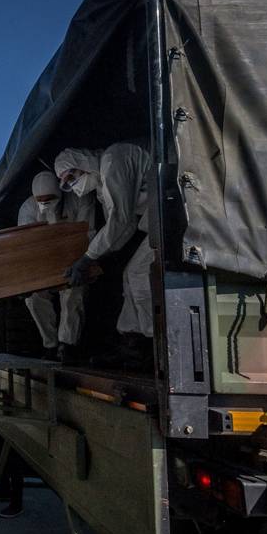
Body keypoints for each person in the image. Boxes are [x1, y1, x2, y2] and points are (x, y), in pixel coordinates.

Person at [54, 143, 153, 369]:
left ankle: (152, 344)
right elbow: (124, 227)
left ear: (82, 165)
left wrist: (89, 257)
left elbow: (120, 219)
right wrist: (97, 257)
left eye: (70, 178)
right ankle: (133, 345)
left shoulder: (112, 160)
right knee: (131, 276)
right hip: (157, 218)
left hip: (172, 210)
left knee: (138, 275)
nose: (71, 186)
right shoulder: (101, 184)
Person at [18, 171, 96, 363]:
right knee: (34, 299)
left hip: (75, 260)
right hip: (42, 265)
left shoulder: (79, 199)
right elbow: (26, 246)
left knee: (73, 293)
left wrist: (80, 262)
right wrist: (26, 278)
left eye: (50, 199)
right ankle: (50, 346)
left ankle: (67, 346)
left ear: (60, 194)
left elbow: (89, 233)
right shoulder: (28, 208)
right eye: (41, 200)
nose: (45, 203)